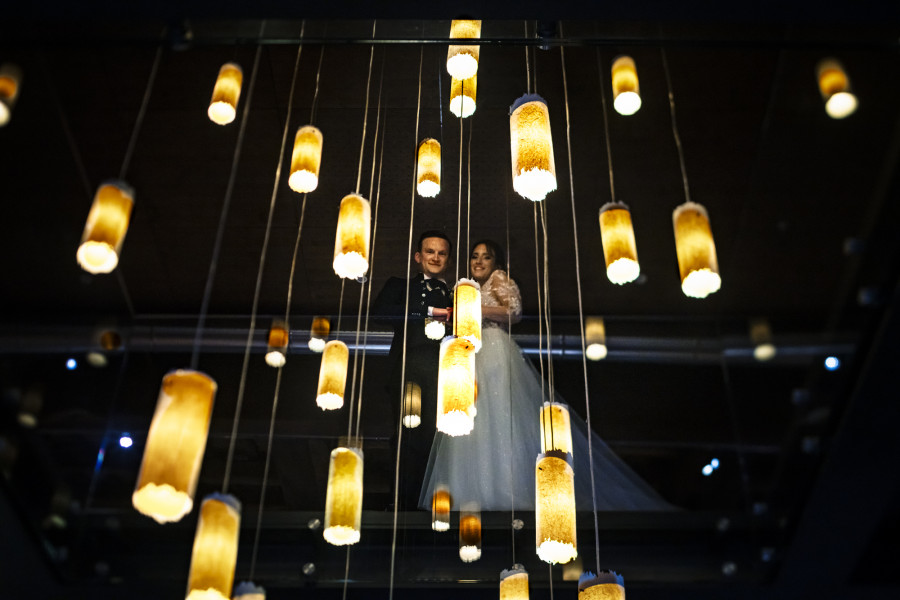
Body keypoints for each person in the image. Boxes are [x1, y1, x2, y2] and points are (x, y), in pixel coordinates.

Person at [419, 239, 672, 511]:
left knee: (499, 415)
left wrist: (475, 308)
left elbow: (514, 312)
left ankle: (507, 488)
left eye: (486, 257)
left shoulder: (498, 279)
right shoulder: (467, 287)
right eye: (475, 256)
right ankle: (473, 491)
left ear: (496, 263)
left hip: (494, 347)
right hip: (472, 353)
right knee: (474, 418)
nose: (479, 261)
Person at [373, 230, 453, 507]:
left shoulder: (457, 295)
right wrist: (429, 312)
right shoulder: (400, 285)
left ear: (448, 260)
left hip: (444, 374)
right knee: (407, 434)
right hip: (409, 368)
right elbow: (380, 313)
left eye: (442, 253)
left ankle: (431, 505)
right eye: (430, 251)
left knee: (438, 438)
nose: (435, 257)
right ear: (418, 256)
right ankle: (401, 504)